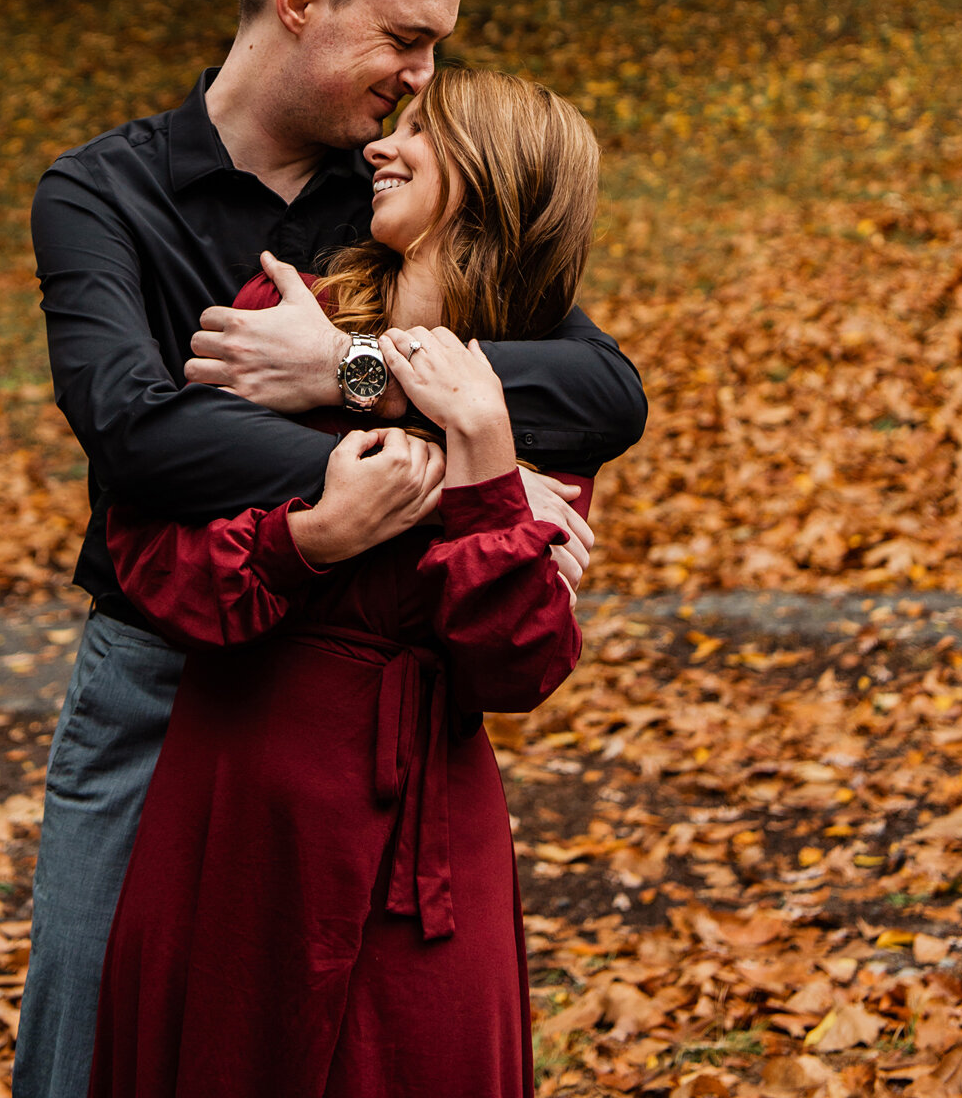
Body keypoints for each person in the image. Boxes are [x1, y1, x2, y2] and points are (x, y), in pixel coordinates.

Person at [14, 0, 646, 1098]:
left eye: (436, 49)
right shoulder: (104, 194)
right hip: (163, 669)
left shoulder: (402, 189)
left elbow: (599, 392)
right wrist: (453, 474)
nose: (422, 77)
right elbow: (138, 435)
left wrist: (347, 368)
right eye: (406, 37)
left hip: (372, 702)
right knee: (90, 1039)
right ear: (299, 0)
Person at [89, 69, 601, 1098]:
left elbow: (516, 663)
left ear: (496, 176)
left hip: (428, 833)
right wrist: (309, 540)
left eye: (423, 131)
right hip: (242, 799)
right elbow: (149, 553)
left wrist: (491, 459)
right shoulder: (278, 320)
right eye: (392, 123)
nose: (382, 144)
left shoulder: (537, 387)